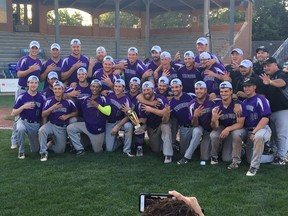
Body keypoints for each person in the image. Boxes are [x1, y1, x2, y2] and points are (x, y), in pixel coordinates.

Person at [11, 40, 42, 150]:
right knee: (19, 115)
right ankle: (14, 140)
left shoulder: (39, 62)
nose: (34, 50)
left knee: (32, 111)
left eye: (36, 48)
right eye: (32, 48)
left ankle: (32, 138)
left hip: (33, 90)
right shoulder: (23, 60)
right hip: (23, 89)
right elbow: (19, 74)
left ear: (38, 50)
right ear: (29, 49)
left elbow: (40, 77)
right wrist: (30, 69)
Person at [67, 79, 111, 155]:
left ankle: (118, 141)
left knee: (97, 151)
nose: (95, 88)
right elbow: (68, 97)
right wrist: (69, 93)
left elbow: (108, 112)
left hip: (97, 129)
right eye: (93, 86)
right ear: (90, 87)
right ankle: (80, 150)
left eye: (97, 87)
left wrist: (97, 105)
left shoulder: (104, 98)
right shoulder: (85, 99)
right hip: (86, 126)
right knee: (70, 128)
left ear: (100, 88)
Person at [210, 81, 246, 169]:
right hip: (224, 127)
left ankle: (236, 160)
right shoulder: (216, 106)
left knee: (236, 134)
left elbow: (240, 124)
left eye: (226, 91)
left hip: (236, 128)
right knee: (213, 135)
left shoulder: (239, 105)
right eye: (221, 91)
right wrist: (214, 120)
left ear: (231, 92)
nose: (223, 93)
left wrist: (228, 129)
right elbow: (215, 127)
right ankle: (214, 157)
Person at [38, 80, 78, 162]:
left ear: (63, 89)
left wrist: (67, 116)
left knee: (60, 151)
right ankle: (43, 152)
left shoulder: (68, 100)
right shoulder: (49, 100)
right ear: (53, 90)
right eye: (55, 89)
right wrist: (52, 108)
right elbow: (43, 114)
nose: (57, 91)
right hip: (51, 124)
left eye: (59, 89)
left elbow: (76, 112)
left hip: (61, 127)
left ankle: (52, 142)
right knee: (42, 130)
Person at [136, 81, 173, 163]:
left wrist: (151, 109)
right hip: (151, 127)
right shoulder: (141, 103)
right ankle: (139, 147)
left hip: (161, 123)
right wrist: (136, 123)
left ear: (153, 89)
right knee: (155, 149)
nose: (146, 92)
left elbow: (164, 113)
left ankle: (168, 155)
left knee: (166, 127)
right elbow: (143, 119)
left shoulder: (160, 98)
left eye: (148, 90)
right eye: (144, 90)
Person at [260, 57, 288, 165]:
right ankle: (277, 155)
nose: (266, 67)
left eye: (269, 65)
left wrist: (270, 82)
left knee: (282, 134)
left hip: (283, 109)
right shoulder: (267, 77)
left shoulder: (282, 73)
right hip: (272, 110)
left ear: (275, 65)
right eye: (265, 66)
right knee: (275, 135)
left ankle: (282, 157)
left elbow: (282, 83)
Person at [242, 77, 271, 176]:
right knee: (250, 158)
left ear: (254, 87)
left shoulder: (261, 99)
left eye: (249, 86)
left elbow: (266, 118)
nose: (246, 88)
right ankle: (270, 156)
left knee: (259, 136)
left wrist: (254, 132)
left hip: (262, 128)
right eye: (245, 86)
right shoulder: (244, 102)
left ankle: (254, 167)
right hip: (249, 130)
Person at [11, 75, 45, 159]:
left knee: (36, 150)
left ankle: (32, 142)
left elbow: (44, 114)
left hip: (35, 124)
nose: (33, 85)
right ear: (28, 84)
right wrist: (23, 107)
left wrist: (43, 125)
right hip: (23, 121)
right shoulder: (21, 96)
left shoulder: (42, 98)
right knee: (20, 129)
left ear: (38, 85)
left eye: (35, 83)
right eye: (31, 83)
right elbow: (13, 113)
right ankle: (21, 151)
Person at [105, 79, 134, 156]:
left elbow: (128, 116)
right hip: (109, 122)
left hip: (120, 122)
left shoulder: (126, 99)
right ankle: (119, 141)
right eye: (116, 86)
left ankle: (126, 150)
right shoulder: (109, 95)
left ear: (123, 88)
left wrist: (117, 126)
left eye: (119, 87)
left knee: (129, 126)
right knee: (109, 149)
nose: (117, 88)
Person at [187, 81, 215, 161]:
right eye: (196, 89)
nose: (198, 91)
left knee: (205, 158)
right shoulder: (192, 104)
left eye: (201, 89)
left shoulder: (212, 99)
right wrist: (195, 116)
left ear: (205, 90)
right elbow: (195, 125)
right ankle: (187, 157)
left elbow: (226, 98)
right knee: (196, 131)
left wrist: (235, 100)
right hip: (200, 127)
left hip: (212, 129)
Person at [168, 79, 194, 164]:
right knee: (183, 152)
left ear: (181, 87)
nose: (174, 89)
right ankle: (176, 144)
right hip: (184, 127)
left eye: (176, 87)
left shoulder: (190, 96)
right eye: (172, 87)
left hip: (196, 124)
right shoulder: (171, 102)